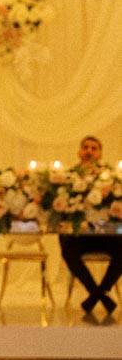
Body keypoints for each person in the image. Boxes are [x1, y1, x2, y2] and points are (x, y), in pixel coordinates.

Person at [60, 135, 122, 315]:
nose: (89, 151)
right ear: (80, 152)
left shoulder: (111, 178)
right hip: (80, 236)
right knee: (66, 247)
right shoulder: (69, 177)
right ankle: (99, 295)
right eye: (86, 147)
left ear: (100, 153)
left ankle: (96, 294)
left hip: (106, 235)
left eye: (94, 148)